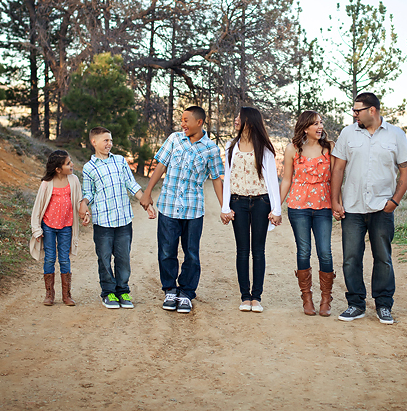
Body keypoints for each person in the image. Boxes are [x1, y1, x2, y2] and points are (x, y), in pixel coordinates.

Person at [331, 92, 407, 324]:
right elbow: (338, 169)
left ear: (372, 111)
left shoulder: (396, 135)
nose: (354, 114)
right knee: (351, 258)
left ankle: (383, 305)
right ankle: (355, 304)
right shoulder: (348, 134)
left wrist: (394, 201)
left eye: (357, 110)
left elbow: (405, 172)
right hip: (353, 207)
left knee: (383, 258)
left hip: (382, 208)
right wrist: (335, 201)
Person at [140, 106, 224, 314]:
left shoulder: (211, 149)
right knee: (167, 251)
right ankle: (170, 289)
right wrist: (147, 192)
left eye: (186, 120)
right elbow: (160, 166)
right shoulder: (174, 139)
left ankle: (186, 293)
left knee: (191, 254)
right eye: (181, 120)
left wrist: (225, 206)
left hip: (193, 209)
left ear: (199, 122)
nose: (183, 124)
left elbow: (216, 178)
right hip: (168, 206)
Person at [79, 127, 156, 310]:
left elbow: (131, 184)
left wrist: (146, 203)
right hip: (103, 221)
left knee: (123, 258)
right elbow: (89, 191)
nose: (109, 144)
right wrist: (84, 204)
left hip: (123, 220)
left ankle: (123, 290)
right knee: (104, 258)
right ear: (94, 142)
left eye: (111, 140)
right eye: (105, 140)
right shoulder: (89, 167)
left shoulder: (120, 161)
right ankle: (108, 292)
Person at [220, 107, 282, 313]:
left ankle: (257, 297)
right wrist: (225, 206)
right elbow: (227, 178)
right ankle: (245, 296)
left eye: (240, 117)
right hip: (238, 202)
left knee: (258, 251)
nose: (236, 120)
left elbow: (272, 181)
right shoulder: (231, 146)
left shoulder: (264, 149)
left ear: (250, 121)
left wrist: (276, 209)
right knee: (242, 250)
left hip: (260, 202)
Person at [279, 110, 336, 316]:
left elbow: (337, 179)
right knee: (304, 251)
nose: (320, 127)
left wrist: (338, 203)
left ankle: (326, 298)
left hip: (324, 206)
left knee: (325, 252)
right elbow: (286, 179)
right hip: (298, 206)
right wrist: (276, 206)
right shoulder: (293, 149)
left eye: (321, 123)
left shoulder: (330, 148)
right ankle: (307, 297)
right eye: (315, 124)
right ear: (305, 128)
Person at [30, 150, 82, 306]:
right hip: (49, 227)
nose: (72, 164)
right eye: (68, 163)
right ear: (58, 169)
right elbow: (38, 207)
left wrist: (84, 213)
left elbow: (78, 201)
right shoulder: (47, 183)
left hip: (66, 226)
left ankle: (66, 295)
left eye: (71, 161)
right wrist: (37, 229)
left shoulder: (73, 180)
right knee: (50, 258)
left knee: (65, 260)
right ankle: (49, 294)